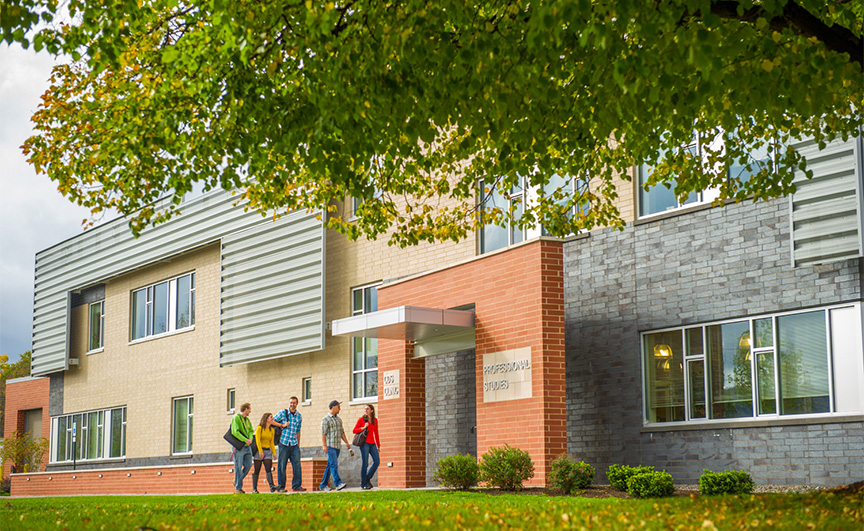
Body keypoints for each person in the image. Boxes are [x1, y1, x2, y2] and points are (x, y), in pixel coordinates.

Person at [273, 396, 305, 492]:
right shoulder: (283, 413)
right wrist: (282, 425)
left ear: (297, 404)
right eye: (291, 402)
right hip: (284, 443)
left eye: (294, 403)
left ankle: (296, 486)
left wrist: (298, 444)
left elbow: (298, 431)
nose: (292, 404)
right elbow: (272, 421)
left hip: (294, 443)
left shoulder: (299, 416)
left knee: (297, 465)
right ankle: (281, 487)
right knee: (282, 465)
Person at [320, 400, 352, 491]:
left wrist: (347, 443)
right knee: (334, 464)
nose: (340, 409)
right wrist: (324, 445)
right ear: (333, 407)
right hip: (330, 446)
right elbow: (323, 433)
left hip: (337, 446)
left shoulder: (339, 420)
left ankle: (323, 485)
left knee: (330, 465)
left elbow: (342, 433)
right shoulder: (325, 419)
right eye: (338, 407)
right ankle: (338, 483)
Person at [353, 404, 381, 490]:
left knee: (377, 462)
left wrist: (378, 445)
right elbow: (354, 430)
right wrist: (363, 427)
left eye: (367, 409)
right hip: (364, 443)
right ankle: (364, 484)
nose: (366, 410)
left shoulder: (375, 420)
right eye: (365, 409)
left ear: (372, 410)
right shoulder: (361, 419)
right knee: (365, 464)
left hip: (372, 444)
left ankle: (367, 479)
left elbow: (376, 433)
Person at [231, 402, 255, 494]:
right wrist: (245, 440)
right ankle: (238, 488)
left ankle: (237, 480)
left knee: (248, 465)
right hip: (239, 447)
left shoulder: (247, 420)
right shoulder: (236, 418)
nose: (250, 411)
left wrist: (250, 439)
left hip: (247, 446)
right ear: (246, 409)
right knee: (238, 466)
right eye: (249, 409)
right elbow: (235, 432)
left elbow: (250, 430)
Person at [252, 412, 278, 493]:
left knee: (268, 468)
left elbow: (271, 443)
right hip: (259, 450)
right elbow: (257, 440)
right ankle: (254, 488)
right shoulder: (260, 428)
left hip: (268, 451)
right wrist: (260, 451)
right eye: (271, 417)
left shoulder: (272, 430)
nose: (272, 418)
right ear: (266, 419)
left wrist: (274, 453)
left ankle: (272, 486)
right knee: (257, 469)